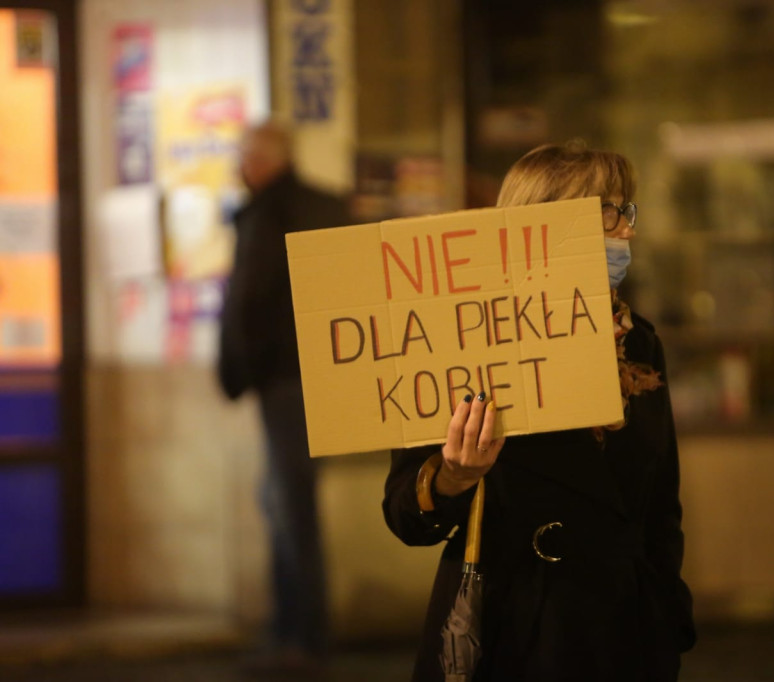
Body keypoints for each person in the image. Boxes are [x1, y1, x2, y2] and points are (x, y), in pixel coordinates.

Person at [382, 142, 697, 681]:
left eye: (627, 211)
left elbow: (661, 505)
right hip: (521, 632)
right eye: (608, 213)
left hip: (625, 631)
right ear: (545, 228)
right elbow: (405, 511)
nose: (627, 231)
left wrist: (664, 604)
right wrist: (455, 478)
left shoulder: (639, 344)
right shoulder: (462, 344)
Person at [217, 120, 350, 669]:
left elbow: (256, 298)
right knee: (283, 500)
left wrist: (241, 366)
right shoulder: (308, 207)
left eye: (245, 154)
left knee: (289, 503)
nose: (239, 166)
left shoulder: (278, 212)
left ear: (267, 159)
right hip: (300, 374)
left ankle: (301, 637)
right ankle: (290, 632)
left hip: (287, 377)